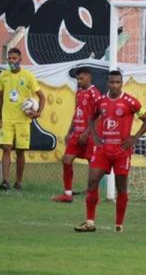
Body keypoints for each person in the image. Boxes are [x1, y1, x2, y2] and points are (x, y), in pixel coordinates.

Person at [74, 70, 146, 233]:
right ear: (107, 83)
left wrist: (134, 138)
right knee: (92, 181)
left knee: (121, 186)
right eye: (112, 82)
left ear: (121, 83)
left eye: (118, 82)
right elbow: (91, 117)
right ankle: (90, 222)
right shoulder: (101, 101)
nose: (115, 85)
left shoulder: (130, 102)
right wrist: (94, 135)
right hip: (103, 150)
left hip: (121, 151)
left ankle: (118, 225)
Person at [0, 47, 45, 191]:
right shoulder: (3, 76)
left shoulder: (28, 76)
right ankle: (4, 181)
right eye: (9, 59)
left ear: (20, 60)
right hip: (7, 119)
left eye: (14, 58)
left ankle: (18, 182)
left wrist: (38, 112)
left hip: (23, 120)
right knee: (6, 148)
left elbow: (42, 97)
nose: (11, 61)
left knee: (21, 151)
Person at [52, 67, 101, 203]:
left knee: (92, 164)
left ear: (89, 77)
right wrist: (69, 132)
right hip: (76, 133)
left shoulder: (94, 93)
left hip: (90, 135)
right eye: (78, 79)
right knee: (67, 160)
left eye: (81, 78)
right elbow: (76, 112)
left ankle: (92, 194)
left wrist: (87, 132)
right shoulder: (79, 92)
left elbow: (98, 116)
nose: (79, 81)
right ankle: (67, 194)